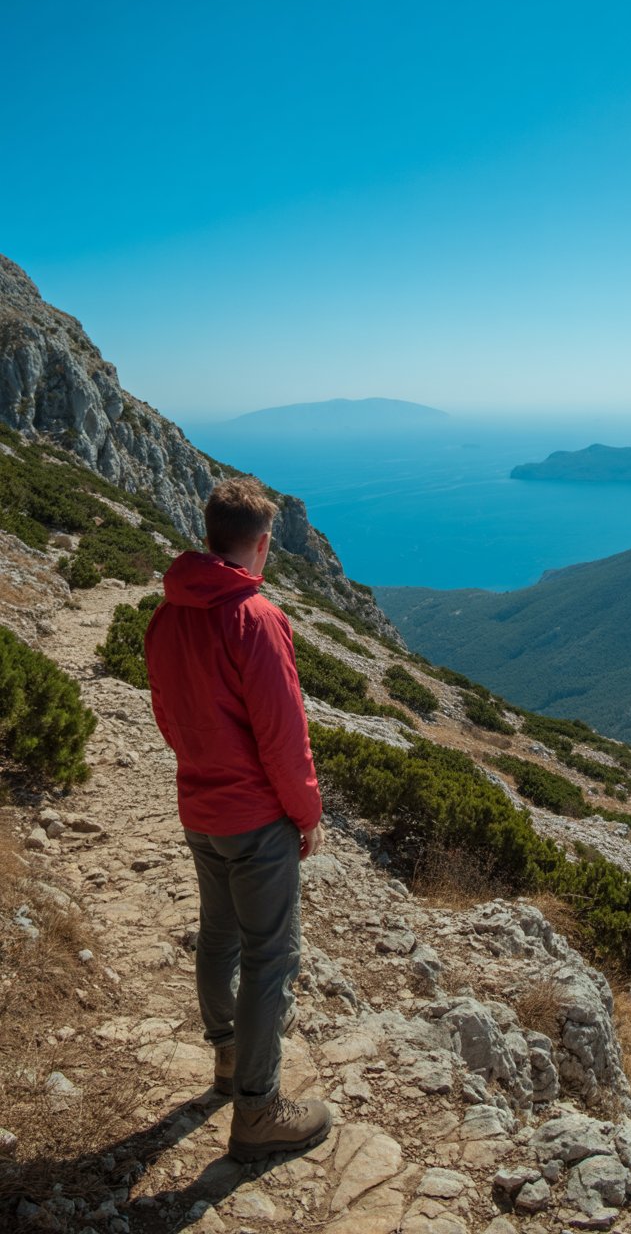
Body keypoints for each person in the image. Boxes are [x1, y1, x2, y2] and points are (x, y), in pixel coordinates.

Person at [144, 478, 332, 1162]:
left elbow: (169, 713)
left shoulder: (167, 615)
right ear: (259, 544)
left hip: (200, 806)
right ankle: (258, 1110)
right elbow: (284, 736)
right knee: (269, 957)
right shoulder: (256, 618)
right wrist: (305, 812)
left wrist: (202, 769)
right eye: (270, 544)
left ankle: (226, 1062)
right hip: (256, 817)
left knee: (219, 936)